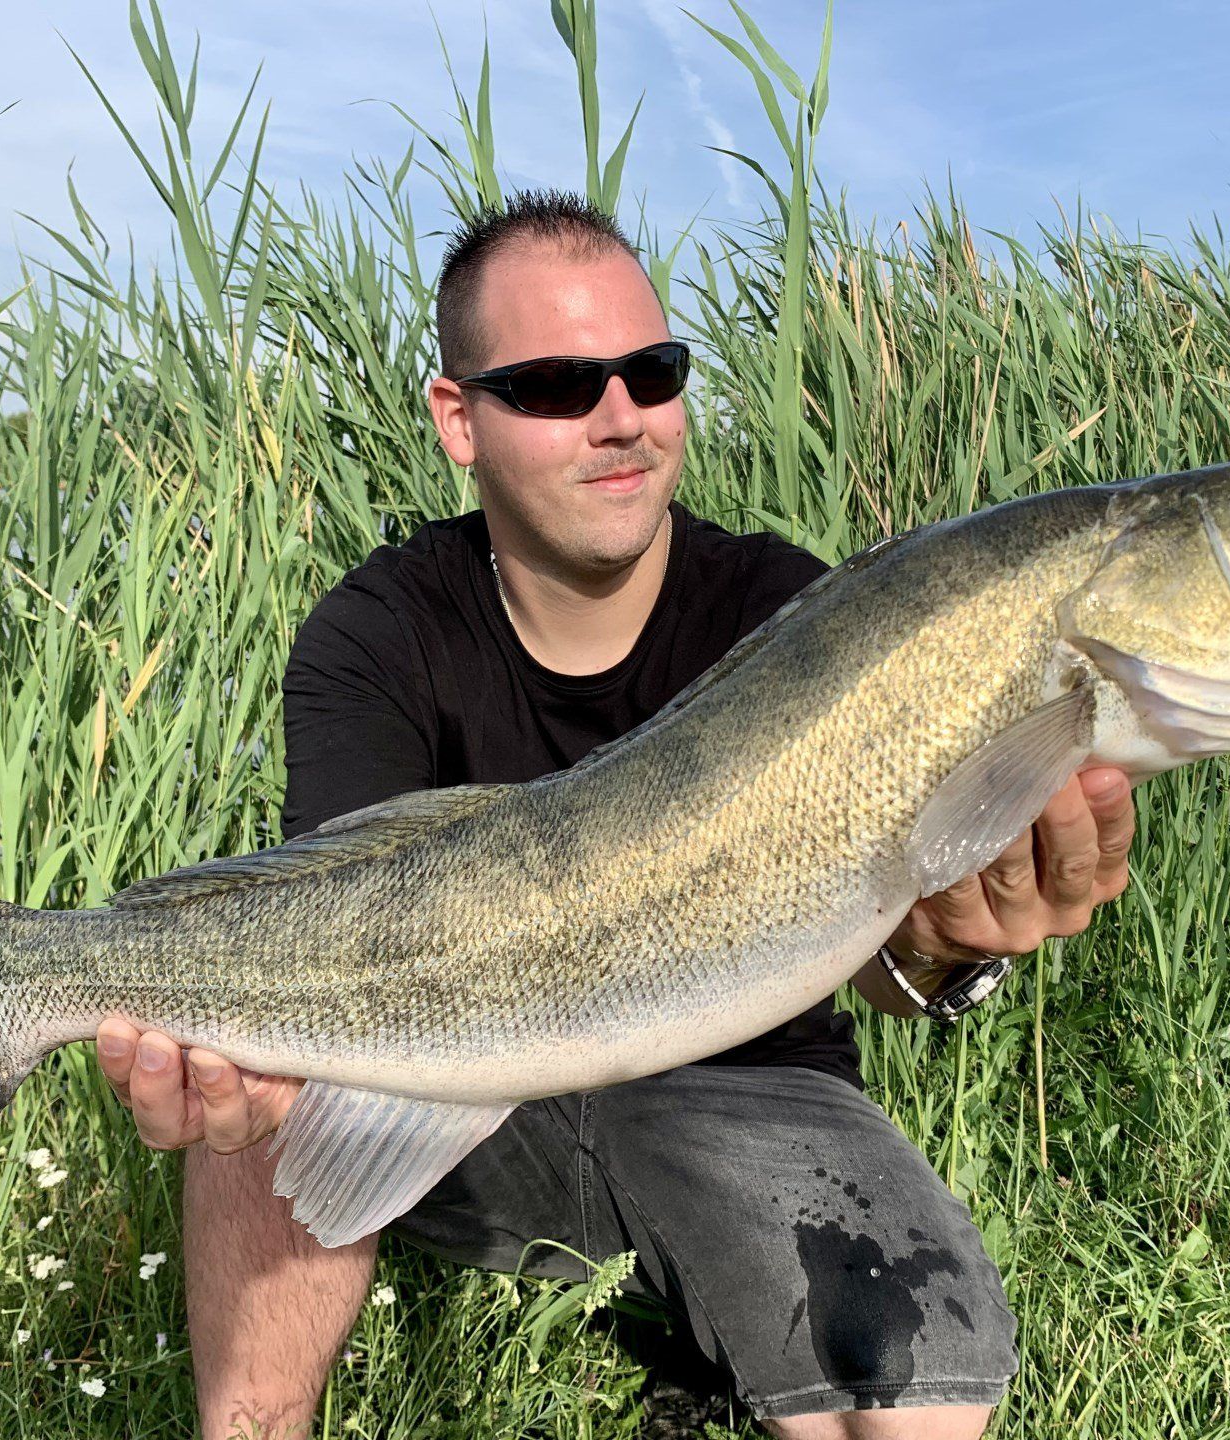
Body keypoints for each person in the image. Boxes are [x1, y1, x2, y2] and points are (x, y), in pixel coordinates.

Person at [95, 190, 1136, 1440]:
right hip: (457, 1088)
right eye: (554, 385)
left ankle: (703, 1315)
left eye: (652, 371)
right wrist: (249, 1080)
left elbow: (885, 966)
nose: (620, 419)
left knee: (910, 1416)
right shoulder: (376, 634)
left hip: (739, 1086)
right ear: (458, 419)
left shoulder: (791, 618)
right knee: (258, 1053)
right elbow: (330, 921)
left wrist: (950, 951)